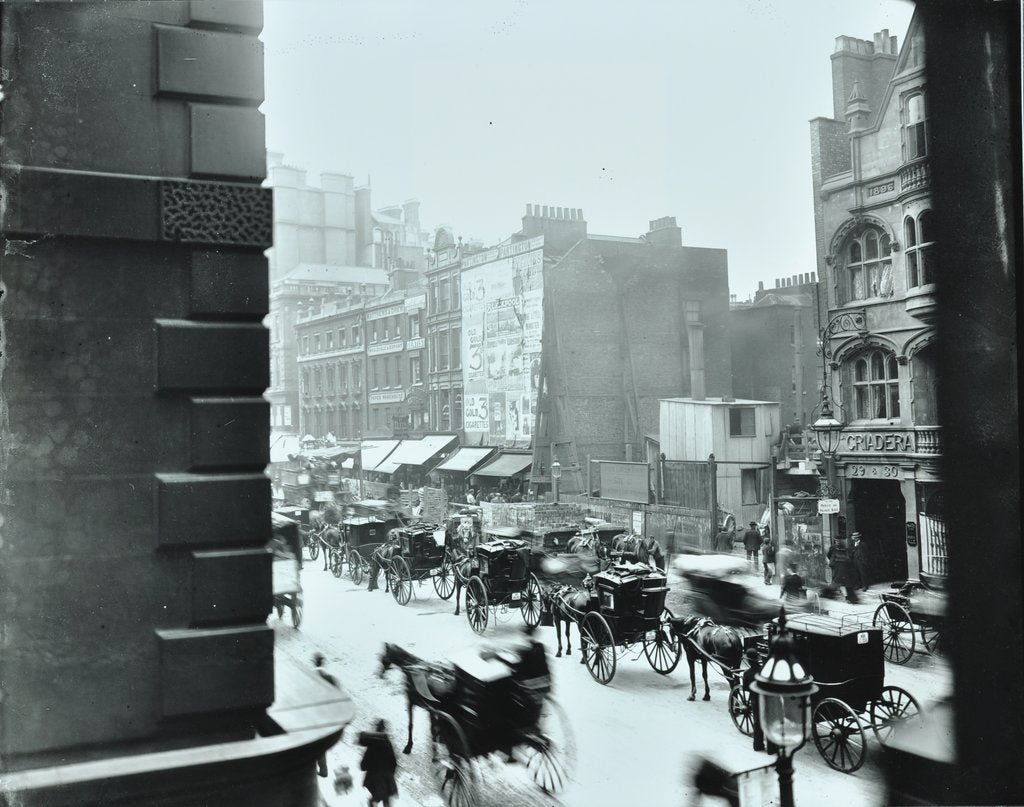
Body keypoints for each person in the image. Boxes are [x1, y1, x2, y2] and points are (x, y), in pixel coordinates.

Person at [741, 648, 776, 755]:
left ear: (749, 661)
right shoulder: (765, 671)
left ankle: (758, 745)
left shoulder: (747, 674)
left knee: (757, 722)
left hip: (755, 700)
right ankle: (771, 749)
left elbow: (746, 688)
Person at [359, 719, 398, 807]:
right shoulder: (388, 744)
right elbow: (394, 763)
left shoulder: (371, 745)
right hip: (387, 779)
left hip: (375, 779)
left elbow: (363, 765)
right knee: (386, 800)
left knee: (375, 798)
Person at [313, 653, 340, 778]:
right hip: (327, 715)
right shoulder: (330, 677)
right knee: (321, 744)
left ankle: (322, 769)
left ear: (314, 662)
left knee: (316, 744)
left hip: (314, 715)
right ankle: (323, 768)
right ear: (323, 662)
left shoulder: (310, 674)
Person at [826, 537, 859, 603]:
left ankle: (849, 598)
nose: (838, 542)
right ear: (835, 541)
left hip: (842, 568)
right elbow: (829, 556)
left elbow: (848, 558)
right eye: (836, 541)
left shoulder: (844, 549)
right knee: (841, 582)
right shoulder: (833, 548)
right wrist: (832, 563)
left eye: (839, 541)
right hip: (838, 568)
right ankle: (850, 598)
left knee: (842, 583)